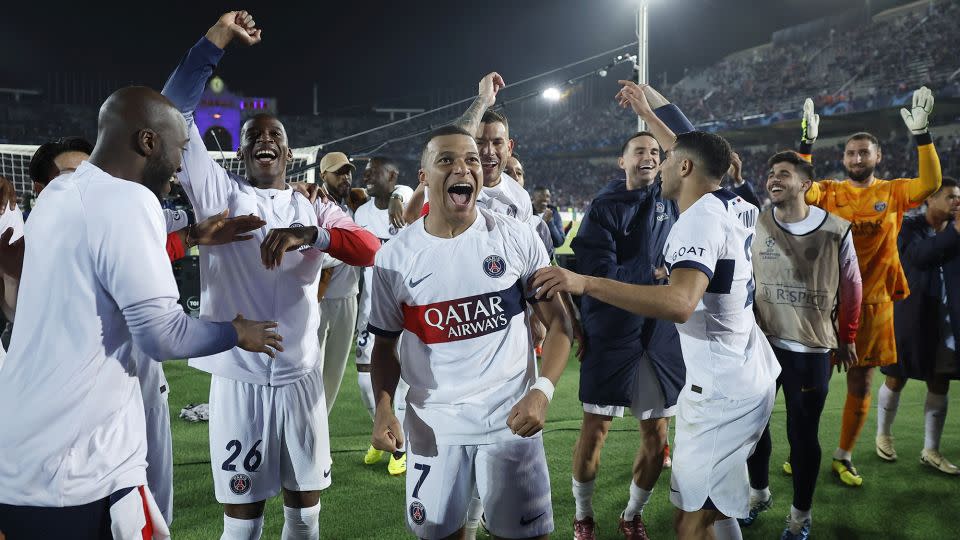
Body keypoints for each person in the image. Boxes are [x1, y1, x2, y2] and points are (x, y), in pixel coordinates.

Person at [0, 85, 281, 540]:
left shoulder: (58, 194)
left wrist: (193, 235)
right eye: (180, 149)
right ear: (148, 142)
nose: (178, 163)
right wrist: (236, 331)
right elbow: (163, 335)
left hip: (16, 458)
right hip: (77, 471)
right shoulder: (129, 200)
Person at [161, 12, 379, 540]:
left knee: (305, 514)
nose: (265, 139)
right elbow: (170, 109)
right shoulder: (219, 193)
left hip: (300, 377)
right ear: (242, 151)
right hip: (238, 378)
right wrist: (218, 37)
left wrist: (312, 235)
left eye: (275, 134)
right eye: (255, 134)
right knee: (242, 521)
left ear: (287, 152)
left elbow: (370, 248)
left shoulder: (317, 209)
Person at [533, 80, 779, 540]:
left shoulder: (697, 221)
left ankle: (634, 515)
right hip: (750, 370)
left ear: (681, 166)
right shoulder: (737, 204)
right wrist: (652, 112)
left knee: (690, 518)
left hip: (719, 387)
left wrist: (583, 283)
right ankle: (591, 515)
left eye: (663, 156)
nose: (657, 160)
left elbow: (680, 303)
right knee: (719, 508)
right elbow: (696, 155)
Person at [369, 125, 573, 540]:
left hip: (510, 424)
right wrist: (384, 407)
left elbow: (560, 324)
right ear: (424, 177)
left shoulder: (515, 237)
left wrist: (543, 391)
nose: (462, 167)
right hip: (432, 427)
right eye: (447, 160)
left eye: (471, 160)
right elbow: (385, 345)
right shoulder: (395, 257)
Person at [568, 83, 694, 540]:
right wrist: (658, 276)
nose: (647, 155)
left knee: (657, 436)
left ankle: (632, 514)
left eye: (654, 150)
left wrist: (655, 103)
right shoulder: (602, 209)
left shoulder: (675, 197)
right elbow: (600, 276)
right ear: (621, 161)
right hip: (614, 333)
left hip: (659, 336)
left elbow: (693, 146)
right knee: (596, 430)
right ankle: (583, 515)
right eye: (637, 150)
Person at [799, 90, 942, 486]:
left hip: (875, 305)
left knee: (861, 384)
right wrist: (806, 147)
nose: (856, 158)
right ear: (843, 158)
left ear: (877, 157)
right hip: (826, 304)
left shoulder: (892, 192)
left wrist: (923, 136)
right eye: (850, 153)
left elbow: (930, 183)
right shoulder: (828, 191)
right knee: (812, 380)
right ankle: (802, 448)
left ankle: (842, 457)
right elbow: (798, 185)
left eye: (864, 152)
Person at [743, 150, 862, 538]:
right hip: (763, 345)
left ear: (806, 184)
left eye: (784, 174)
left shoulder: (836, 229)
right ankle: (758, 494)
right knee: (754, 429)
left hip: (810, 350)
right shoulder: (755, 222)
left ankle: (800, 517)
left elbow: (852, 287)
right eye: (771, 174)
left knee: (802, 434)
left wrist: (847, 337)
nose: (774, 180)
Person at [877, 177, 960, 475]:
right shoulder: (907, 226)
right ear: (930, 199)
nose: (956, 202)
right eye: (950, 197)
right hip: (911, 315)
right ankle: (883, 434)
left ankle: (931, 450)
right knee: (897, 377)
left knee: (941, 380)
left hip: (948, 319)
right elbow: (918, 257)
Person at [353, 156, 414, 475]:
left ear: (392, 175)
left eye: (372, 173)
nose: (366, 177)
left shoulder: (406, 204)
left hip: (404, 310)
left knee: (401, 383)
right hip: (370, 310)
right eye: (364, 173)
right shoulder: (361, 213)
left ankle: (401, 447)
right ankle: (383, 431)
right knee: (365, 381)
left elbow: (415, 190)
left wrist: (399, 195)